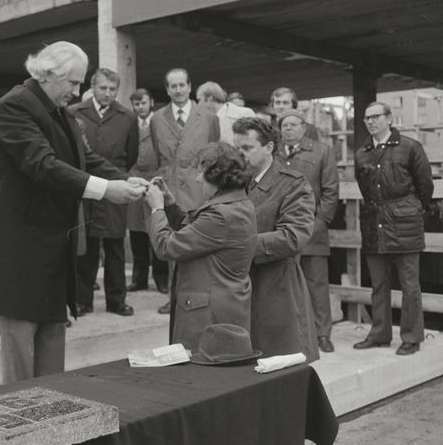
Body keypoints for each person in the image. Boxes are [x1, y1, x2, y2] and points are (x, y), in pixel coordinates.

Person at [0, 41, 147, 382]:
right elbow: (44, 166)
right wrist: (107, 190)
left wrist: (130, 182)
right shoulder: (15, 106)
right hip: (20, 249)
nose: (78, 90)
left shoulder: (58, 110)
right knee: (21, 353)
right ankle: (21, 421)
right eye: (74, 83)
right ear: (48, 75)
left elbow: (85, 159)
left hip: (50, 246)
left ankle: (51, 411)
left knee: (52, 342)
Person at [144, 142, 257, 353]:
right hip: (224, 305)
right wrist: (169, 204)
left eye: (201, 173)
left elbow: (167, 247)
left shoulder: (220, 214)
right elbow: (196, 234)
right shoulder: (238, 204)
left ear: (217, 177)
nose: (197, 179)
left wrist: (157, 209)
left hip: (207, 313)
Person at [231, 117, 319, 362]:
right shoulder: (234, 182)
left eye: (247, 149)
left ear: (269, 148)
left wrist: (238, 246)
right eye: (236, 149)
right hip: (239, 287)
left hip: (275, 289)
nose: (239, 155)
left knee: (279, 365)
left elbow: (294, 236)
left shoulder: (293, 184)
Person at [353, 101, 434, 356]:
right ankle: (380, 334)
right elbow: (365, 189)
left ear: (389, 119)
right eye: (367, 118)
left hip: (405, 223)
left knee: (410, 285)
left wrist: (409, 209)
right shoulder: (362, 153)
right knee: (378, 283)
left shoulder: (410, 147)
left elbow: (426, 187)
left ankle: (411, 337)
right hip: (374, 223)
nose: (370, 122)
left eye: (376, 117)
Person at [68, 68, 139, 317]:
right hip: (85, 185)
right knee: (85, 247)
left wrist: (117, 177)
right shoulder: (74, 112)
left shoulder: (127, 116)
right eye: (103, 88)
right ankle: (82, 300)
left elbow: (131, 155)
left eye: (112, 89)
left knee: (115, 246)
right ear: (93, 87)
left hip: (115, 185)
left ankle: (116, 301)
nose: (107, 94)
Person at [150, 67, 220, 315]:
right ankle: (175, 295)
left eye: (182, 85)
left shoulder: (209, 117)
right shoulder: (157, 118)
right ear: (167, 89)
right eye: (172, 86)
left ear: (190, 86)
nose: (178, 90)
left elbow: (213, 154)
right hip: (171, 187)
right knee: (173, 240)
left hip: (200, 188)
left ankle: (201, 294)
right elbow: (159, 156)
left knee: (200, 241)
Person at [275, 109, 339, 353]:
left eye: (293, 125)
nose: (288, 129)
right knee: (284, 284)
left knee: (317, 284)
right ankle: (290, 336)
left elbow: (331, 191)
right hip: (283, 230)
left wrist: (320, 222)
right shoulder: (275, 154)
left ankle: (322, 334)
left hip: (313, 229)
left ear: (304, 128)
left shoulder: (322, 152)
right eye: (284, 125)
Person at [126, 88, 169, 294]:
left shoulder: (159, 122)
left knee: (157, 227)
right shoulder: (130, 123)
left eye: (143, 103)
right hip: (135, 178)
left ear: (151, 102)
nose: (140, 107)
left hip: (155, 177)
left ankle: (161, 279)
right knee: (136, 233)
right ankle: (139, 278)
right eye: (136, 104)